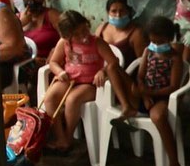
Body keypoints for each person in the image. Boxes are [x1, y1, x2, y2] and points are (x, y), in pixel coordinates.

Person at [42, 10, 132, 155]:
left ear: (87, 24)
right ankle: (61, 137)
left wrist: (102, 72)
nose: (83, 36)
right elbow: (53, 62)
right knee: (50, 98)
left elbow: (113, 63)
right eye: (76, 34)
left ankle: (68, 137)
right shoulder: (63, 43)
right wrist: (60, 72)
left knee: (73, 99)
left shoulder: (97, 42)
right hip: (69, 79)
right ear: (67, 36)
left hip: (89, 84)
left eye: (84, 30)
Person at [116, 16, 185, 166]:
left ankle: (174, 164)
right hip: (144, 94)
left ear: (169, 38)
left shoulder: (175, 58)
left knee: (158, 117)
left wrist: (150, 94)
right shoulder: (148, 51)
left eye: (160, 41)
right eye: (153, 40)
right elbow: (140, 76)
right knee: (114, 68)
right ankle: (128, 109)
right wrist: (144, 95)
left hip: (162, 96)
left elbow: (173, 86)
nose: (155, 43)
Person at [94, 0, 146, 67]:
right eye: (114, 11)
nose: (118, 15)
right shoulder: (102, 28)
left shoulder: (136, 33)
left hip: (124, 73)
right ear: (108, 12)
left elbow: (141, 61)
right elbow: (92, 50)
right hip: (100, 73)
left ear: (128, 12)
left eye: (122, 11)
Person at [19, 0, 61, 68]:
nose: (32, 1)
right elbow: (11, 45)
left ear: (42, 0)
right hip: (27, 63)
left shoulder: (51, 15)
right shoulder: (17, 19)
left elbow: (67, 34)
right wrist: (21, 23)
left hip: (50, 63)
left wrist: (56, 50)